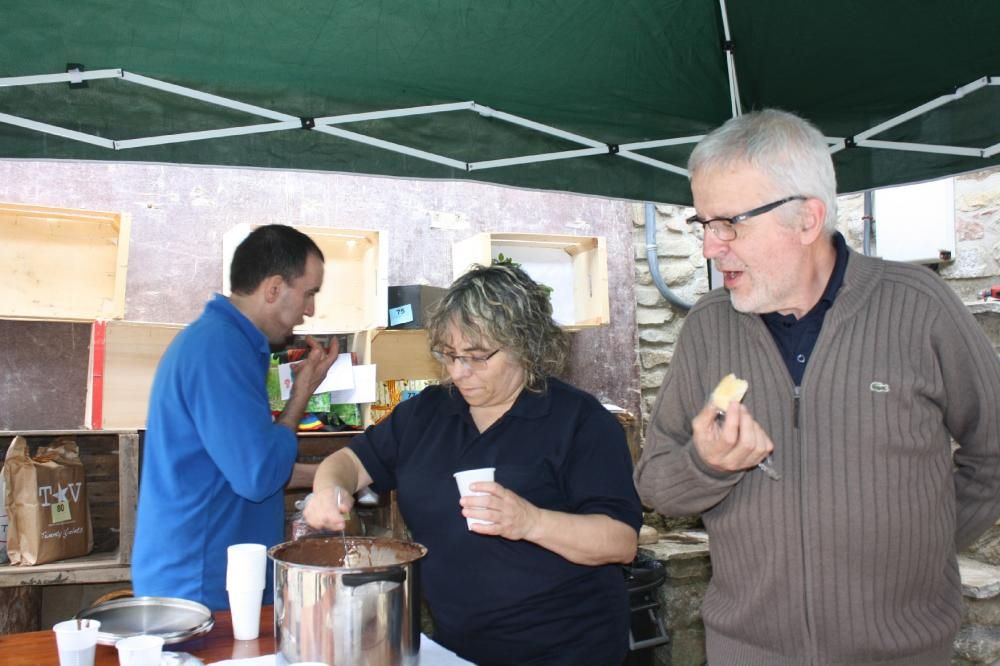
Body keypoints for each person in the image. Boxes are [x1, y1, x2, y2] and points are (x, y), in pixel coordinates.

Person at [634, 108, 1000, 665]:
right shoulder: (707, 326)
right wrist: (707, 464)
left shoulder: (919, 305)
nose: (711, 246)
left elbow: (992, 449)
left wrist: (923, 544)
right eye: (703, 223)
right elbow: (655, 484)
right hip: (748, 654)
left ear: (807, 220)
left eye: (730, 222)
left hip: (903, 653)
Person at [304, 263, 642, 666]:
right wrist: (328, 490)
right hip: (461, 648)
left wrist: (531, 522)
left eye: (478, 357)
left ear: (525, 345)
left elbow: (620, 542)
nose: (459, 372)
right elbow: (348, 460)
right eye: (449, 355)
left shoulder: (580, 422)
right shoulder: (428, 412)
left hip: (568, 649)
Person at [132, 224, 338, 611]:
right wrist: (299, 405)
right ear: (274, 288)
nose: (310, 310)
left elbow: (246, 464)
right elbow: (258, 476)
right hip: (200, 585)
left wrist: (339, 470)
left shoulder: (229, 344)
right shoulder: (219, 349)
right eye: (309, 293)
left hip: (212, 576)